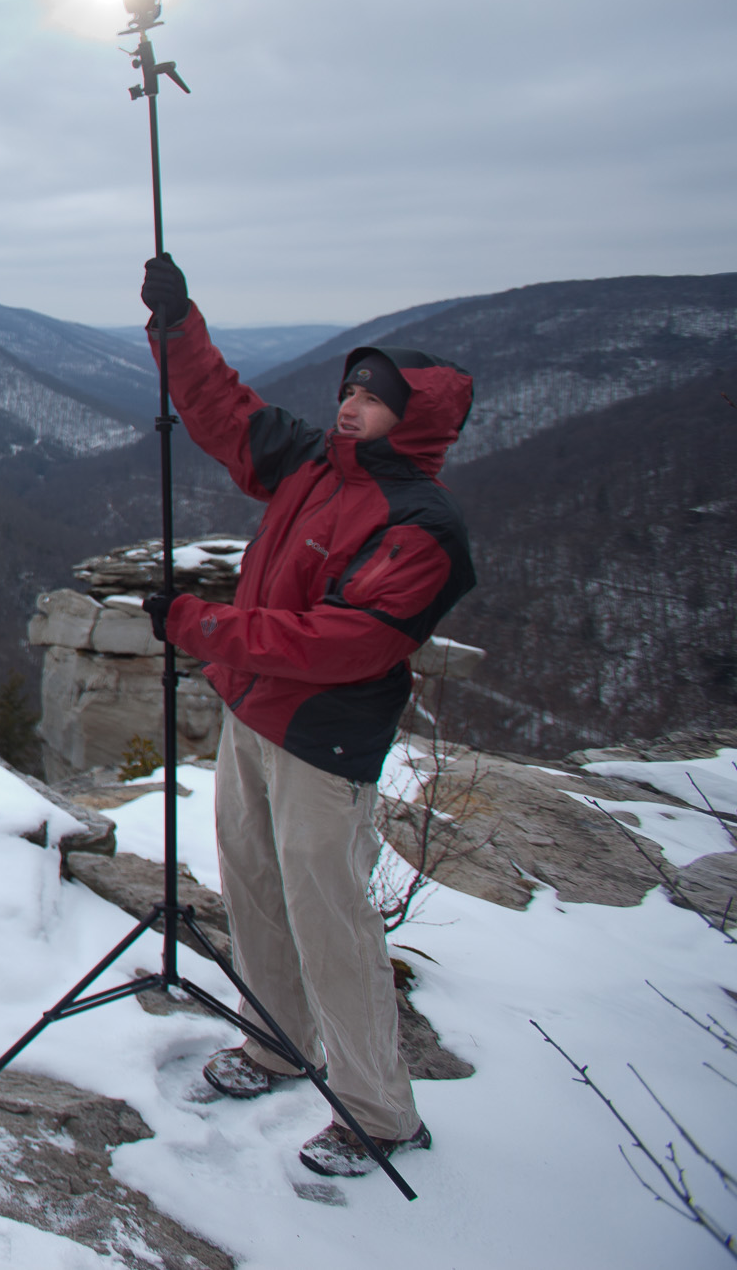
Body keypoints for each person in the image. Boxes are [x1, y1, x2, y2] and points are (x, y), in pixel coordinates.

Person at [137, 252, 474, 1180]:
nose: (350, 406)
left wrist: (202, 624)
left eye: (373, 399)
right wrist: (178, 326)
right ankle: (277, 1045)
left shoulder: (422, 524)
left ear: (418, 418)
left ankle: (379, 1111)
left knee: (332, 919)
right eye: (349, 392)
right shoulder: (314, 467)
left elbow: (341, 642)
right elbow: (224, 414)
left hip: (325, 741)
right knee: (251, 887)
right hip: (254, 717)